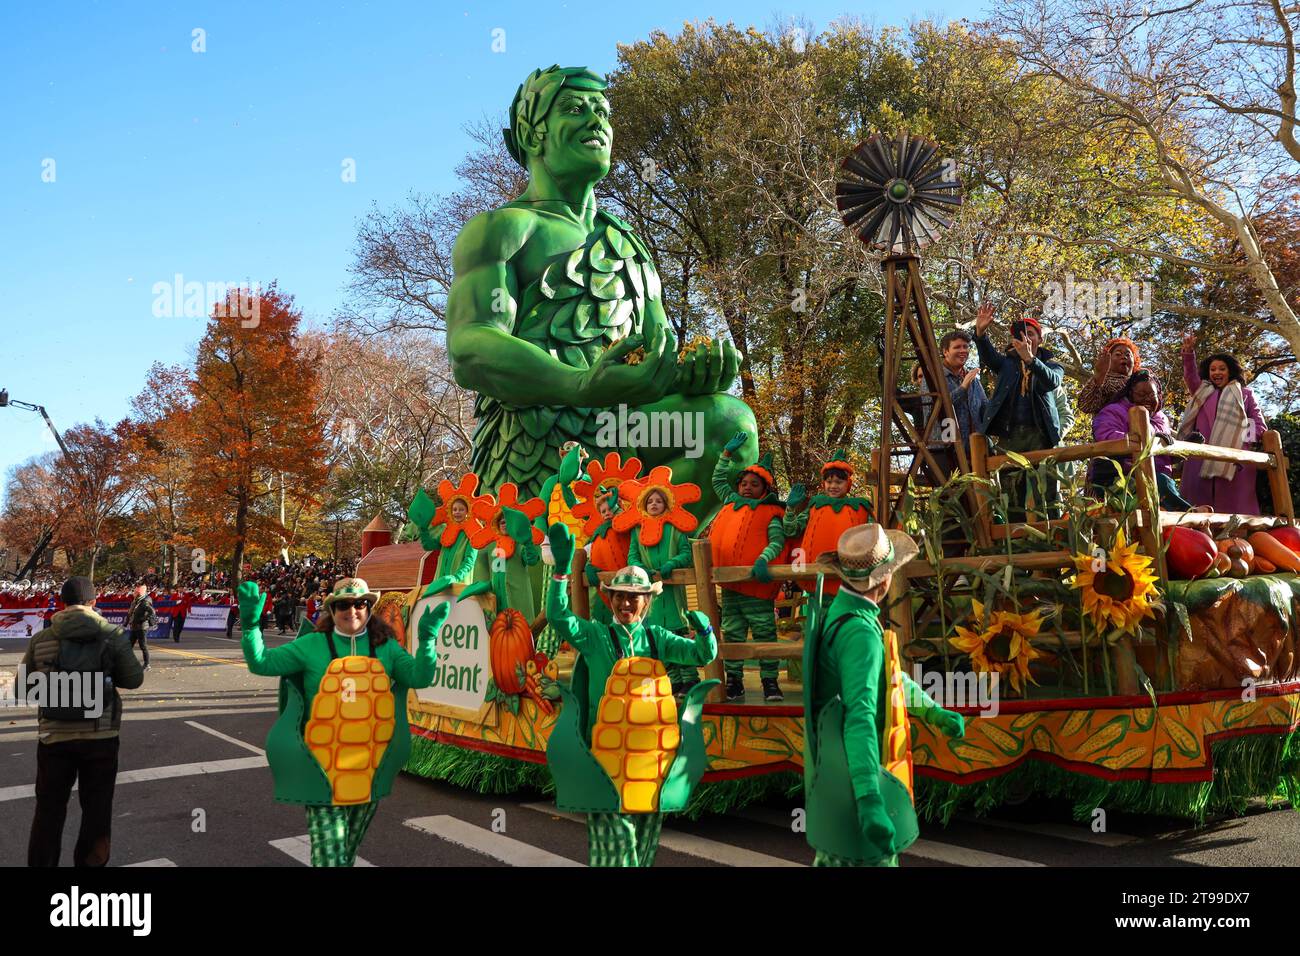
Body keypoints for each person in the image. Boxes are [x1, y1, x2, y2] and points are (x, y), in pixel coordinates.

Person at [240, 577, 447, 867]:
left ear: (369, 607)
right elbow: (261, 662)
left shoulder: (386, 648)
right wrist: (250, 627)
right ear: (332, 609)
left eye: (360, 603)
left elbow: (419, 677)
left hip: (369, 770)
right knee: (329, 858)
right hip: (321, 771)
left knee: (346, 853)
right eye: (343, 605)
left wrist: (427, 640)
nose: (353, 610)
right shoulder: (311, 645)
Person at [544, 523, 717, 866]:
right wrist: (561, 575)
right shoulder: (594, 635)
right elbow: (558, 617)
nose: (626, 603)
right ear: (609, 599)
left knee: (643, 843)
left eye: (633, 597)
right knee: (615, 838)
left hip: (650, 761)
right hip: (604, 758)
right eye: (619, 596)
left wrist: (706, 630)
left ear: (646, 602)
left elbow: (701, 655)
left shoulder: (657, 638)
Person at [801, 526, 964, 867]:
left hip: (836, 768)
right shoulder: (860, 632)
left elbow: (887, 678)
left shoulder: (844, 613)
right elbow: (857, 714)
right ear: (885, 579)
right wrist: (869, 799)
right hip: (855, 775)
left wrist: (933, 712)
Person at [24, 576, 145, 866]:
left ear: (62, 602)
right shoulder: (112, 636)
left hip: (55, 737)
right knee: (97, 811)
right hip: (100, 735)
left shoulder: (42, 638)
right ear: (94, 601)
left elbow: (26, 689)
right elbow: (134, 679)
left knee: (48, 811)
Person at [710, 431, 787, 701]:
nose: (746, 487)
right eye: (743, 483)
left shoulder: (771, 512)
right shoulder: (731, 502)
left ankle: (770, 682)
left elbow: (777, 541)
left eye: (754, 484)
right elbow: (718, 479)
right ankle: (734, 681)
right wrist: (726, 455)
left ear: (764, 489)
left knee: (765, 633)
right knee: (732, 635)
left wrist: (764, 558)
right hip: (731, 587)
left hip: (757, 589)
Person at [615, 467, 702, 696]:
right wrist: (641, 568)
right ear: (645, 505)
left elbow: (686, 552)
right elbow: (632, 554)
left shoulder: (675, 529)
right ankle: (672, 679)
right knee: (658, 637)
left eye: (658, 501)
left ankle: (690, 679)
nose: (654, 504)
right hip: (651, 592)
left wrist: (672, 564)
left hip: (673, 594)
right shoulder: (638, 531)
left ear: (665, 505)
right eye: (650, 501)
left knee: (679, 635)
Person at [974, 303, 1064, 520]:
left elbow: (1052, 382)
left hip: (1040, 435)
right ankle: (1014, 543)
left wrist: (1031, 360)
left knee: (1046, 491)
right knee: (1011, 491)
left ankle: (1053, 541)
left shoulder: (1052, 364)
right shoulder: (1006, 364)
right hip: (1010, 435)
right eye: (1020, 335)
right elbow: (988, 356)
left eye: (1030, 334)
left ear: (1040, 339)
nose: (1025, 339)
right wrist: (980, 332)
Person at [1177, 334, 1268, 515]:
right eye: (1213, 369)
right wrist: (1188, 353)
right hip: (1200, 458)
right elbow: (1190, 375)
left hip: (1234, 460)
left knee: (1236, 511)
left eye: (1222, 369)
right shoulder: (1201, 391)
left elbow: (1258, 423)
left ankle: (1237, 538)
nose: (1217, 373)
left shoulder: (1245, 394)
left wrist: (1242, 441)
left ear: (1230, 371)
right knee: (1197, 508)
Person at [1090, 371, 1195, 511]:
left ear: (1159, 395)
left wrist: (1184, 448)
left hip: (1158, 477)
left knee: (1163, 485)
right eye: (1141, 395)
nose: (1147, 399)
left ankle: (1186, 517)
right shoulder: (1113, 411)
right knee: (1160, 485)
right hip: (1121, 476)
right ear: (1130, 394)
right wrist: (1147, 440)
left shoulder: (1161, 419)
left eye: (1152, 395)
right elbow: (1105, 436)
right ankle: (1187, 514)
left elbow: (1165, 456)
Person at [783, 449, 873, 597]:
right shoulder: (814, 506)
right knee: (818, 619)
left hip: (849, 585)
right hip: (815, 581)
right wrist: (790, 509)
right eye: (829, 481)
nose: (833, 486)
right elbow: (791, 531)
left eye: (839, 482)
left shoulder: (861, 508)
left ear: (848, 483)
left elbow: (872, 541)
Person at [1077, 336, 1140, 414]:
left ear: (1134, 362)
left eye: (1128, 355)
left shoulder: (1140, 382)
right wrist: (1099, 378)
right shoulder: (1104, 381)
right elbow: (1085, 406)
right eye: (1118, 354)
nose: (1124, 357)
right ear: (1108, 360)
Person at [125, 584, 157, 671]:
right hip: (134, 626)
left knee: (143, 646)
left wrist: (143, 619)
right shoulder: (135, 601)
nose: (133, 593)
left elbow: (152, 611)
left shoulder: (145, 601)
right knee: (129, 645)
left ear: (139, 593)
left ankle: (147, 664)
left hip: (142, 627)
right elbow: (130, 613)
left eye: (135, 592)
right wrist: (125, 624)